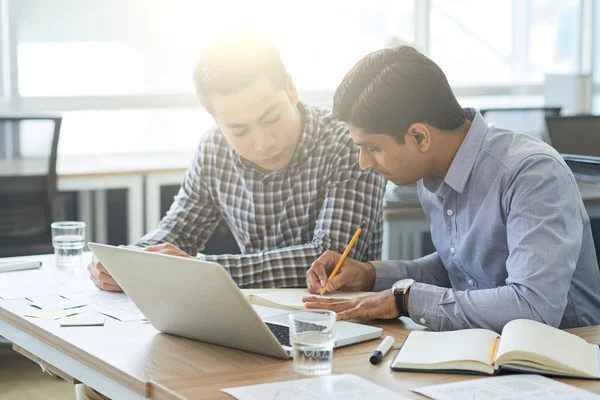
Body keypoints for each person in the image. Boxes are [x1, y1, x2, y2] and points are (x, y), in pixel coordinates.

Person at [304, 45, 600, 332]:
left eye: (372, 147)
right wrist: (370, 275)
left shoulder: (532, 173)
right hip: (484, 349)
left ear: (419, 137)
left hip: (564, 360)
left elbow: (534, 308)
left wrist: (407, 300)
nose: (364, 163)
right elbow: (460, 270)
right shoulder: (430, 174)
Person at [87, 31, 386, 292]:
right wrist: (130, 261)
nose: (263, 142)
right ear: (216, 121)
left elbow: (330, 258)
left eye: (272, 117)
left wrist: (204, 271)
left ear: (291, 88)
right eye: (239, 130)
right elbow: (179, 230)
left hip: (339, 319)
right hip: (251, 312)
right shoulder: (214, 147)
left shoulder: (348, 143)